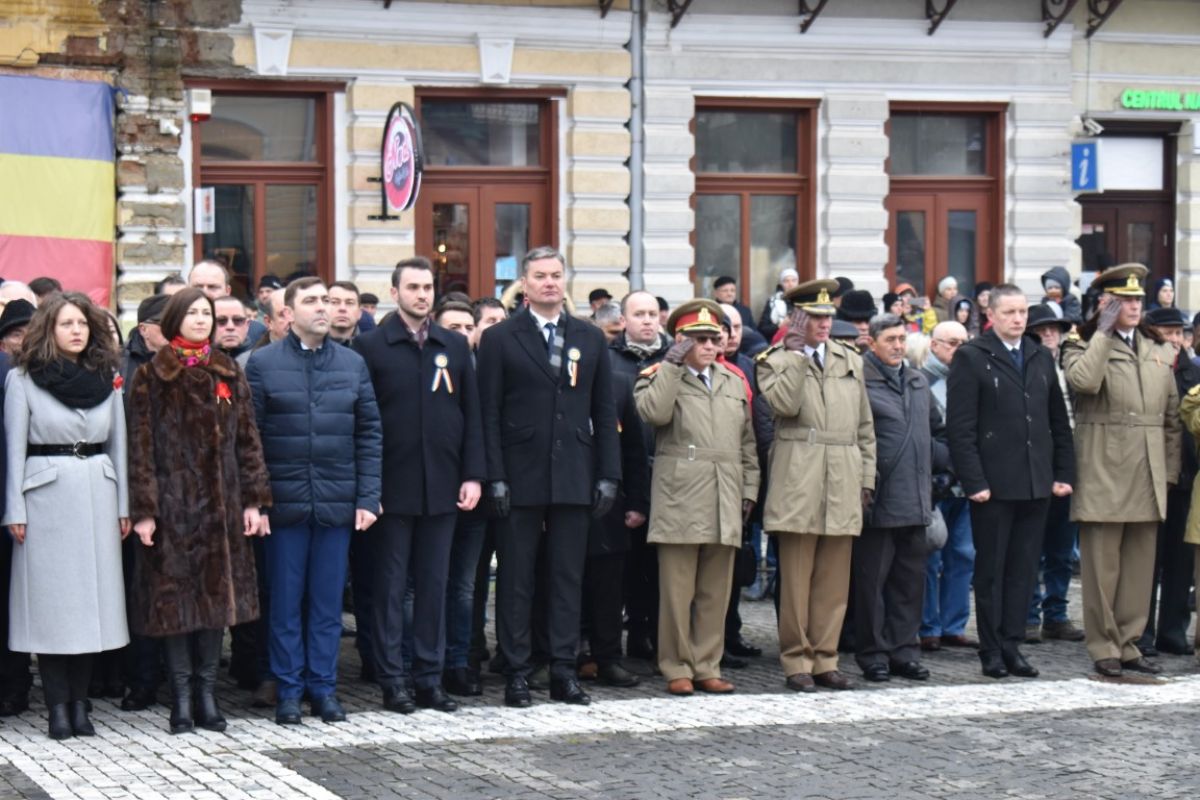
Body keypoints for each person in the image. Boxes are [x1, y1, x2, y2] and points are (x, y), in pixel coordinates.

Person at [476, 245, 620, 708]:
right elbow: (488, 413)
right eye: (540, 276)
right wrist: (494, 475)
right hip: (518, 475)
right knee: (516, 579)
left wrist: (609, 475)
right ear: (524, 283)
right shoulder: (500, 338)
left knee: (566, 578)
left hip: (574, 472)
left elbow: (604, 411)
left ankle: (563, 670)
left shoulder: (589, 337)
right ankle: (518, 671)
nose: (550, 283)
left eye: (556, 275)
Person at [128, 287, 272, 734]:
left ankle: (207, 696)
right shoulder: (152, 375)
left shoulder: (227, 371)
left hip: (222, 508)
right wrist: (145, 509)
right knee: (174, 605)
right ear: (174, 319)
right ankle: (181, 698)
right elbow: (139, 448)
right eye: (191, 312)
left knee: (216, 602)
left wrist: (254, 500)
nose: (201, 320)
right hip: (173, 510)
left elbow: (248, 442)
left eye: (205, 313)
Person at [245, 278, 382, 725]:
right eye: (311, 301)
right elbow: (249, 440)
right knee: (285, 604)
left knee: (327, 606)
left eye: (326, 299)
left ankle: (323, 689)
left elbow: (369, 433)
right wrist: (255, 501)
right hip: (283, 507)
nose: (322, 307)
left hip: (336, 503)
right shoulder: (263, 364)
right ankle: (288, 690)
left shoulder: (352, 363)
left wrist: (368, 497)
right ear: (288, 313)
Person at [354, 258, 484, 714]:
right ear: (395, 293)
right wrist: (367, 488)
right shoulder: (371, 346)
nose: (422, 294)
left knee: (434, 585)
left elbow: (471, 414)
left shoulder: (453, 344)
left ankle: (430, 678)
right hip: (391, 488)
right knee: (391, 589)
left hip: (443, 485)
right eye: (413, 287)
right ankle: (393, 679)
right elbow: (362, 421)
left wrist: (472, 474)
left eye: (428, 287)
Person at [3, 293, 129, 739]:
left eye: (82, 323)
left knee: (93, 605)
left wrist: (123, 505)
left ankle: (81, 703)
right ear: (49, 330)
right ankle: (58, 707)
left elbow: (119, 444)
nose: (77, 331)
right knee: (53, 607)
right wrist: (14, 509)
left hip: (98, 493)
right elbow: (14, 448)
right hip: (46, 499)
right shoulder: (23, 379)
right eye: (66, 324)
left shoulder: (107, 377)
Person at [947, 285, 1075, 680]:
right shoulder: (972, 356)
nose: (1018, 319)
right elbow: (961, 428)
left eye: (1022, 312)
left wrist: (1063, 473)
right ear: (992, 316)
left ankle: (1012, 644)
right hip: (993, 484)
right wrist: (973, 480)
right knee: (991, 571)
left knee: (1023, 569)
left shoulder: (1039, 355)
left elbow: (1057, 421)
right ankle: (990, 649)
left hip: (1035, 481)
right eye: (1010, 312)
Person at [634, 300, 759, 695]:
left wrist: (749, 489)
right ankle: (676, 665)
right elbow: (653, 414)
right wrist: (671, 366)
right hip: (681, 497)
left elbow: (747, 443)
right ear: (680, 341)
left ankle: (707, 664)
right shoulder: (658, 376)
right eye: (698, 339)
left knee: (715, 591)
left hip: (725, 494)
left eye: (712, 338)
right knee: (677, 591)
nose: (708, 345)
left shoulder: (733, 380)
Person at [1061, 264, 1179, 678]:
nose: (1133, 306)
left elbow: (1171, 419)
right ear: (1105, 304)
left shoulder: (1157, 347)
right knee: (1102, 566)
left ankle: (1129, 642)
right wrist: (1104, 332)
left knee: (1139, 568)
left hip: (1147, 469)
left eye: (1137, 300)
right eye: (1124, 300)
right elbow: (1084, 382)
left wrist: (1169, 471)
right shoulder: (1081, 343)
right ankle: (1103, 645)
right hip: (1104, 467)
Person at [757, 280, 876, 693]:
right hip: (799, 474)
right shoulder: (773, 360)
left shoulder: (849, 358)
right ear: (796, 319)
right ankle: (796, 659)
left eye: (828, 316)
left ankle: (826, 657)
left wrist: (867, 477)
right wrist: (794, 357)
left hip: (842, 473)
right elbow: (785, 405)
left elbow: (865, 426)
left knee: (833, 579)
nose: (824, 324)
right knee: (796, 578)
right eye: (814, 317)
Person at [856, 314, 948, 683]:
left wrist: (939, 467)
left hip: (917, 497)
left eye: (901, 339)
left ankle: (904, 652)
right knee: (872, 586)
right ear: (872, 343)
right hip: (878, 499)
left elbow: (938, 431)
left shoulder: (917, 381)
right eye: (890, 339)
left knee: (910, 584)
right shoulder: (860, 380)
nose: (898, 346)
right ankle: (873, 654)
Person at [608, 289, 670, 659]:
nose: (647, 320)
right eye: (639, 314)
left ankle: (649, 633)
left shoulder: (672, 358)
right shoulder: (609, 358)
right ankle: (615, 638)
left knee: (657, 565)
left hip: (666, 472)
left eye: (652, 313)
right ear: (623, 320)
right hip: (624, 473)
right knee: (622, 563)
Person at [1022, 303, 1086, 645]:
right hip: (1036, 464)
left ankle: (1056, 614)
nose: (1049, 334)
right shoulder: (1026, 365)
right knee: (1032, 546)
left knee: (1062, 548)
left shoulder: (1072, 365)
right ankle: (1029, 615)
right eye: (1041, 329)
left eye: (1053, 329)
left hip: (1071, 461)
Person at [1136, 306, 1198, 655]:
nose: (1175, 340)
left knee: (1181, 558)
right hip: (1149, 476)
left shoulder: (1193, 371)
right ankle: (1141, 631)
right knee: (1147, 558)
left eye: (1180, 333)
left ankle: (1173, 630)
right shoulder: (1144, 366)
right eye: (1168, 333)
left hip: (1187, 478)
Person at [919, 321, 978, 652]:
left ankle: (953, 625)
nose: (958, 349)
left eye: (963, 342)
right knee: (931, 555)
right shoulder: (920, 380)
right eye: (952, 343)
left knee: (963, 554)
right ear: (934, 345)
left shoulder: (971, 378)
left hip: (967, 482)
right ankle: (928, 625)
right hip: (935, 481)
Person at [758, 267, 800, 342]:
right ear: (782, 284)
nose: (790, 284)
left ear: (797, 283)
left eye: (793, 280)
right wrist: (781, 325)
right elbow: (762, 329)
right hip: (778, 343)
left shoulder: (804, 301)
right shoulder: (773, 302)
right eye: (786, 281)